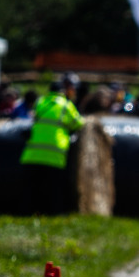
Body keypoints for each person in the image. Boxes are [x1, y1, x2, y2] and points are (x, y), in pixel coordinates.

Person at [19, 79, 84, 215]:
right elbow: (78, 124)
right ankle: (52, 213)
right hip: (55, 153)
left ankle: (27, 211)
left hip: (33, 152)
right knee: (53, 188)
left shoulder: (40, 102)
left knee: (31, 188)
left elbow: (34, 119)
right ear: (62, 92)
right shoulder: (66, 105)